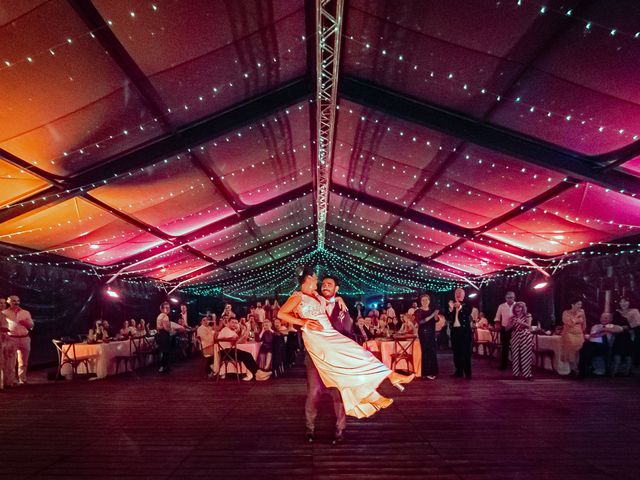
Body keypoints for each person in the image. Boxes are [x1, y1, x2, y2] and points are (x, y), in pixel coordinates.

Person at [278, 267, 414, 422]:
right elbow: (281, 314)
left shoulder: (316, 296)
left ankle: (379, 388)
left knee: (347, 368)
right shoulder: (298, 296)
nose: (319, 281)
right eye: (316, 277)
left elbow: (329, 301)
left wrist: (338, 299)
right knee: (353, 357)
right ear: (308, 278)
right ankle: (386, 381)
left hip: (330, 335)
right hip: (319, 338)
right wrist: (304, 322)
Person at [303, 275, 353, 444]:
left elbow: (348, 331)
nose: (325, 286)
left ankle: (340, 429)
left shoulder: (342, 308)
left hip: (335, 358)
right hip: (315, 355)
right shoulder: (312, 302)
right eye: (323, 284)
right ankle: (309, 428)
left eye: (329, 284)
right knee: (313, 393)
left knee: (338, 394)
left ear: (336, 289)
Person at [3, 295, 34, 385]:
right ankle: (11, 382)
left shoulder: (26, 312)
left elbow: (32, 326)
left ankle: (22, 380)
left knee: (23, 362)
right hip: (11, 338)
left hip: (25, 338)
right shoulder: (4, 313)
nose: (16, 302)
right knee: (11, 362)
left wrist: (27, 323)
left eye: (18, 301)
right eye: (13, 301)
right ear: (8, 302)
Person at [579, 312, 621, 377]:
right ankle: (582, 371)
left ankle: (584, 371)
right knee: (585, 348)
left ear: (611, 319)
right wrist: (605, 332)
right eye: (602, 317)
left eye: (606, 318)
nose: (603, 319)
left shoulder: (613, 326)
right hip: (594, 345)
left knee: (587, 347)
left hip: (605, 347)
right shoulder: (596, 326)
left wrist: (604, 329)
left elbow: (619, 330)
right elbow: (593, 335)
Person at [446, 288, 473, 379]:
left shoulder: (468, 303)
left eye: (460, 293)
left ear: (463, 295)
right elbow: (448, 317)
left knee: (465, 352)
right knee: (456, 352)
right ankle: (459, 372)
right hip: (455, 331)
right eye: (456, 293)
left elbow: (468, 311)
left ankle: (468, 373)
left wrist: (460, 307)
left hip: (465, 331)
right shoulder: (452, 303)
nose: (458, 294)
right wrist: (450, 309)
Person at [507, 302, 534, 380]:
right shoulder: (512, 317)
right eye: (516, 307)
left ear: (523, 308)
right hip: (515, 336)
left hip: (525, 336)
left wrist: (521, 322)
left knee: (526, 355)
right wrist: (511, 324)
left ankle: (527, 374)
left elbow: (529, 326)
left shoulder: (528, 315)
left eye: (519, 307)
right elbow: (506, 329)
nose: (517, 309)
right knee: (515, 355)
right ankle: (515, 374)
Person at [415, 294, 439, 380]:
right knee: (425, 352)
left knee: (432, 352)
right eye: (423, 300)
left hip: (431, 333)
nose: (425, 301)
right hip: (423, 333)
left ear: (429, 301)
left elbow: (436, 320)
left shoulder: (432, 310)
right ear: (420, 301)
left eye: (426, 300)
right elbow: (421, 322)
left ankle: (432, 372)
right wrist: (433, 315)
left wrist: (436, 315)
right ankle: (426, 372)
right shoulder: (418, 311)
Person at [561, 299, 586, 375]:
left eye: (581, 304)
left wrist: (583, 331)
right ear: (573, 305)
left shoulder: (582, 312)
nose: (580, 306)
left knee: (579, 351)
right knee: (571, 351)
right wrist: (577, 318)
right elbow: (568, 323)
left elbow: (584, 323)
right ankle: (573, 369)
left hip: (579, 333)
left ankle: (578, 368)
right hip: (569, 334)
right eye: (578, 304)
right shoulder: (566, 312)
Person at [614, 297, 640, 370]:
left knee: (630, 352)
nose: (623, 303)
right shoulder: (617, 312)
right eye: (621, 302)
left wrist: (627, 327)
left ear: (629, 302)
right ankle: (615, 370)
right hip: (618, 334)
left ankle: (629, 370)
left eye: (625, 301)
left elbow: (638, 323)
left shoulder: (634, 311)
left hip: (632, 333)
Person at [494, 291, 516, 370]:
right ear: (506, 298)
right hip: (505, 328)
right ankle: (503, 365)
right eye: (509, 297)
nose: (511, 299)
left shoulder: (517, 305)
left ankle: (516, 366)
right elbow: (497, 317)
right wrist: (497, 324)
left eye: (512, 297)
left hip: (515, 329)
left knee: (515, 347)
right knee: (505, 347)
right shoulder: (501, 306)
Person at [156, 302, 172, 374]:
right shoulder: (165, 316)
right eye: (166, 307)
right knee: (166, 351)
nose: (167, 309)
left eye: (168, 307)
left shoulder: (159, 316)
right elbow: (166, 328)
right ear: (162, 309)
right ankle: (163, 367)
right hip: (164, 335)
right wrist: (172, 330)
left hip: (160, 335)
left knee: (163, 351)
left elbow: (158, 327)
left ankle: (164, 367)